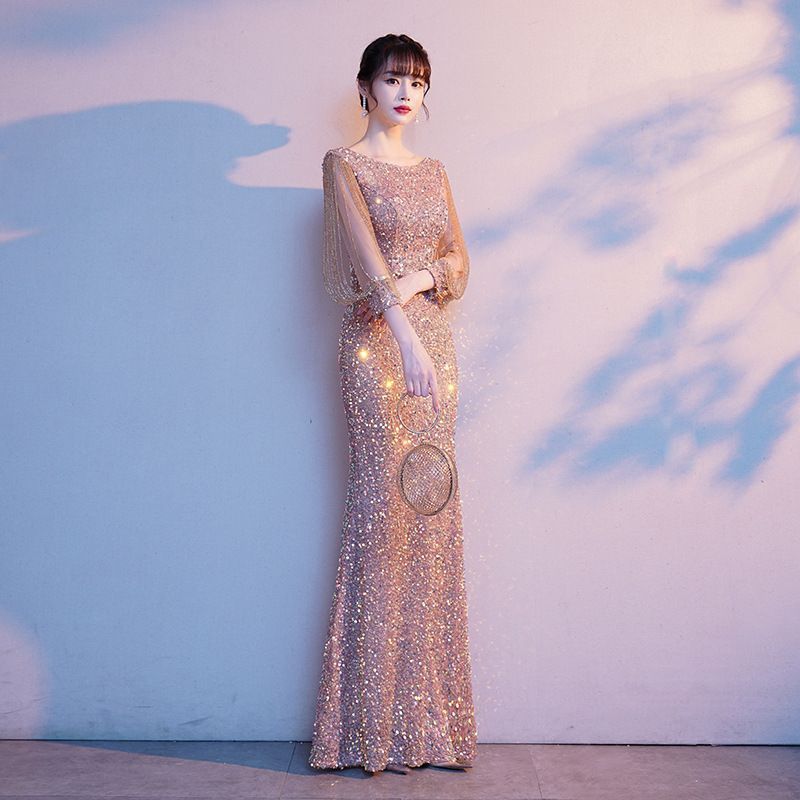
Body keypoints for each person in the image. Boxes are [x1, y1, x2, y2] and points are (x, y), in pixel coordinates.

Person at [308, 33, 477, 775]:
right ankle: (366, 727)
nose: (407, 93)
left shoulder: (435, 171)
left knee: (430, 511)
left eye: (418, 82)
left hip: (435, 348)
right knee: (381, 514)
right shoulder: (344, 164)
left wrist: (421, 282)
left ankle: (426, 725)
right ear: (365, 88)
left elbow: (459, 262)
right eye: (392, 80)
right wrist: (405, 330)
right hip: (381, 350)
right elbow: (369, 268)